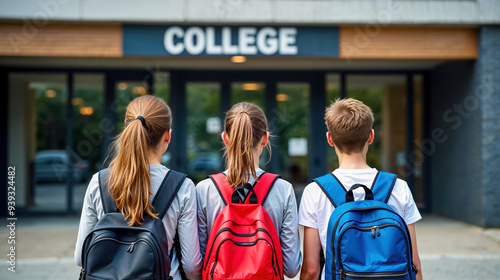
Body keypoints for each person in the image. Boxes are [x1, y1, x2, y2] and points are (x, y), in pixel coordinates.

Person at [74, 95, 202, 280]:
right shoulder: (182, 186)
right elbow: (191, 266)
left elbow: (81, 257)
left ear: (128, 129)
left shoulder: (99, 182)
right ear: (168, 135)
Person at [298, 98, 423, 280]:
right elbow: (414, 264)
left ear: (330, 139)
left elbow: (311, 270)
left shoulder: (315, 191)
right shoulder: (399, 187)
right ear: (371, 136)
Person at [196, 102, 302, 278]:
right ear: (265, 139)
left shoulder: (204, 189)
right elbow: (291, 269)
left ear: (225, 139)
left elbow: (196, 265)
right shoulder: (284, 190)